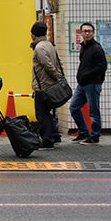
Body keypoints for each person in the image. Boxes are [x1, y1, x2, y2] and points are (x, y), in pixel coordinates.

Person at [69, 22, 107, 144]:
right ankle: (83, 132)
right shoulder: (84, 47)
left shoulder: (97, 49)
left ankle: (95, 136)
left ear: (93, 33)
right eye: (85, 31)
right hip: (82, 84)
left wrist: (87, 75)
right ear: (80, 33)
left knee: (93, 111)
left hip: (93, 84)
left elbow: (102, 66)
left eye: (89, 31)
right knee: (74, 107)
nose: (87, 33)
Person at [30, 21, 63, 150]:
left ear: (33, 34)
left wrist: (56, 76)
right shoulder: (50, 45)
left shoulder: (39, 48)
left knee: (42, 114)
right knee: (48, 113)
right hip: (51, 85)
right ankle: (54, 136)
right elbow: (58, 63)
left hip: (43, 86)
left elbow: (47, 65)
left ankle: (47, 140)